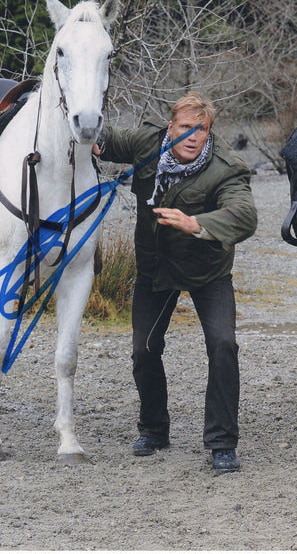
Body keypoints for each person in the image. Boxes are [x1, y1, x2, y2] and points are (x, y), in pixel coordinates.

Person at [97, 92, 257, 472]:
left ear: (209, 133)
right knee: (144, 349)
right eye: (185, 127)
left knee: (223, 344)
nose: (192, 136)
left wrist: (198, 224)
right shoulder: (147, 144)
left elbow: (245, 215)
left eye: (200, 130)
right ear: (171, 128)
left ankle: (221, 442)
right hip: (154, 269)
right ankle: (153, 429)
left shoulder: (227, 167)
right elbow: (102, 140)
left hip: (208, 271)